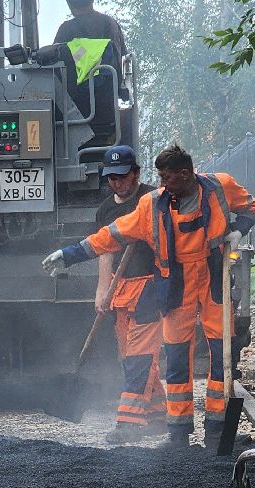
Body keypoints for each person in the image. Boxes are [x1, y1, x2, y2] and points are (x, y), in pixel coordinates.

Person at [43, 143, 255, 446]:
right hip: (176, 286)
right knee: (177, 356)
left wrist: (239, 230)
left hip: (213, 279)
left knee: (221, 353)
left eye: (167, 177)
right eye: (159, 177)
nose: (162, 183)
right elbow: (111, 235)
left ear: (185, 174)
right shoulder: (152, 205)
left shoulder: (220, 187)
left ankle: (218, 430)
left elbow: (250, 206)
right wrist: (70, 254)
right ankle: (178, 431)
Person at [91, 145, 160, 442]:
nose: (117, 183)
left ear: (136, 173)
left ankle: (129, 422)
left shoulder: (154, 199)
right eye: (111, 178)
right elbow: (104, 251)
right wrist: (102, 289)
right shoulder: (106, 209)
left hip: (151, 285)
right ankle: (158, 413)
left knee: (140, 354)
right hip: (121, 289)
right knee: (127, 353)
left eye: (122, 176)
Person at [52, 0, 128, 146]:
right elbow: (122, 64)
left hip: (73, 116)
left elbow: (54, 72)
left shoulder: (66, 31)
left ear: (69, 4)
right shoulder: (111, 25)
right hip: (108, 116)